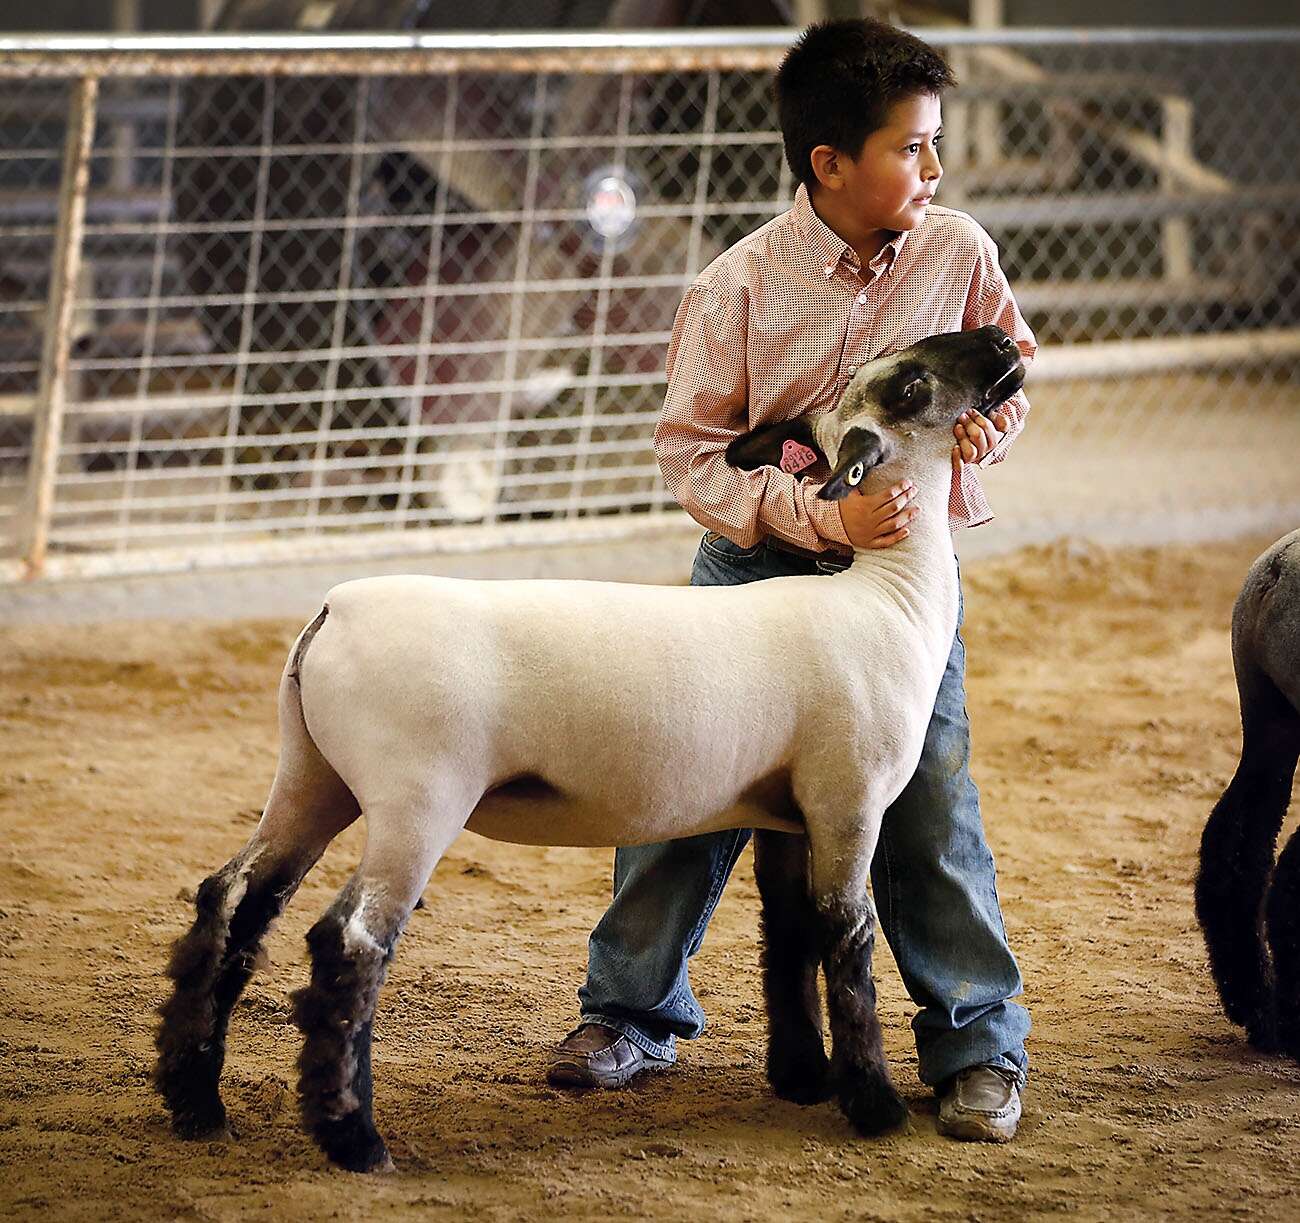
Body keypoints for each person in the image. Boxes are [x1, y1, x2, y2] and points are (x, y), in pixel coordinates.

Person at [548, 17, 1035, 1143]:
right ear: (828, 162)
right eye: (911, 148)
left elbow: (1009, 366)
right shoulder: (739, 285)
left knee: (925, 790)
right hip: (758, 570)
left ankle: (974, 1039)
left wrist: (985, 432)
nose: (933, 169)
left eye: (935, 145)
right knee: (679, 784)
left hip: (895, 591)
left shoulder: (956, 251)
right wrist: (815, 512)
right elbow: (690, 453)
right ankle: (630, 1010)